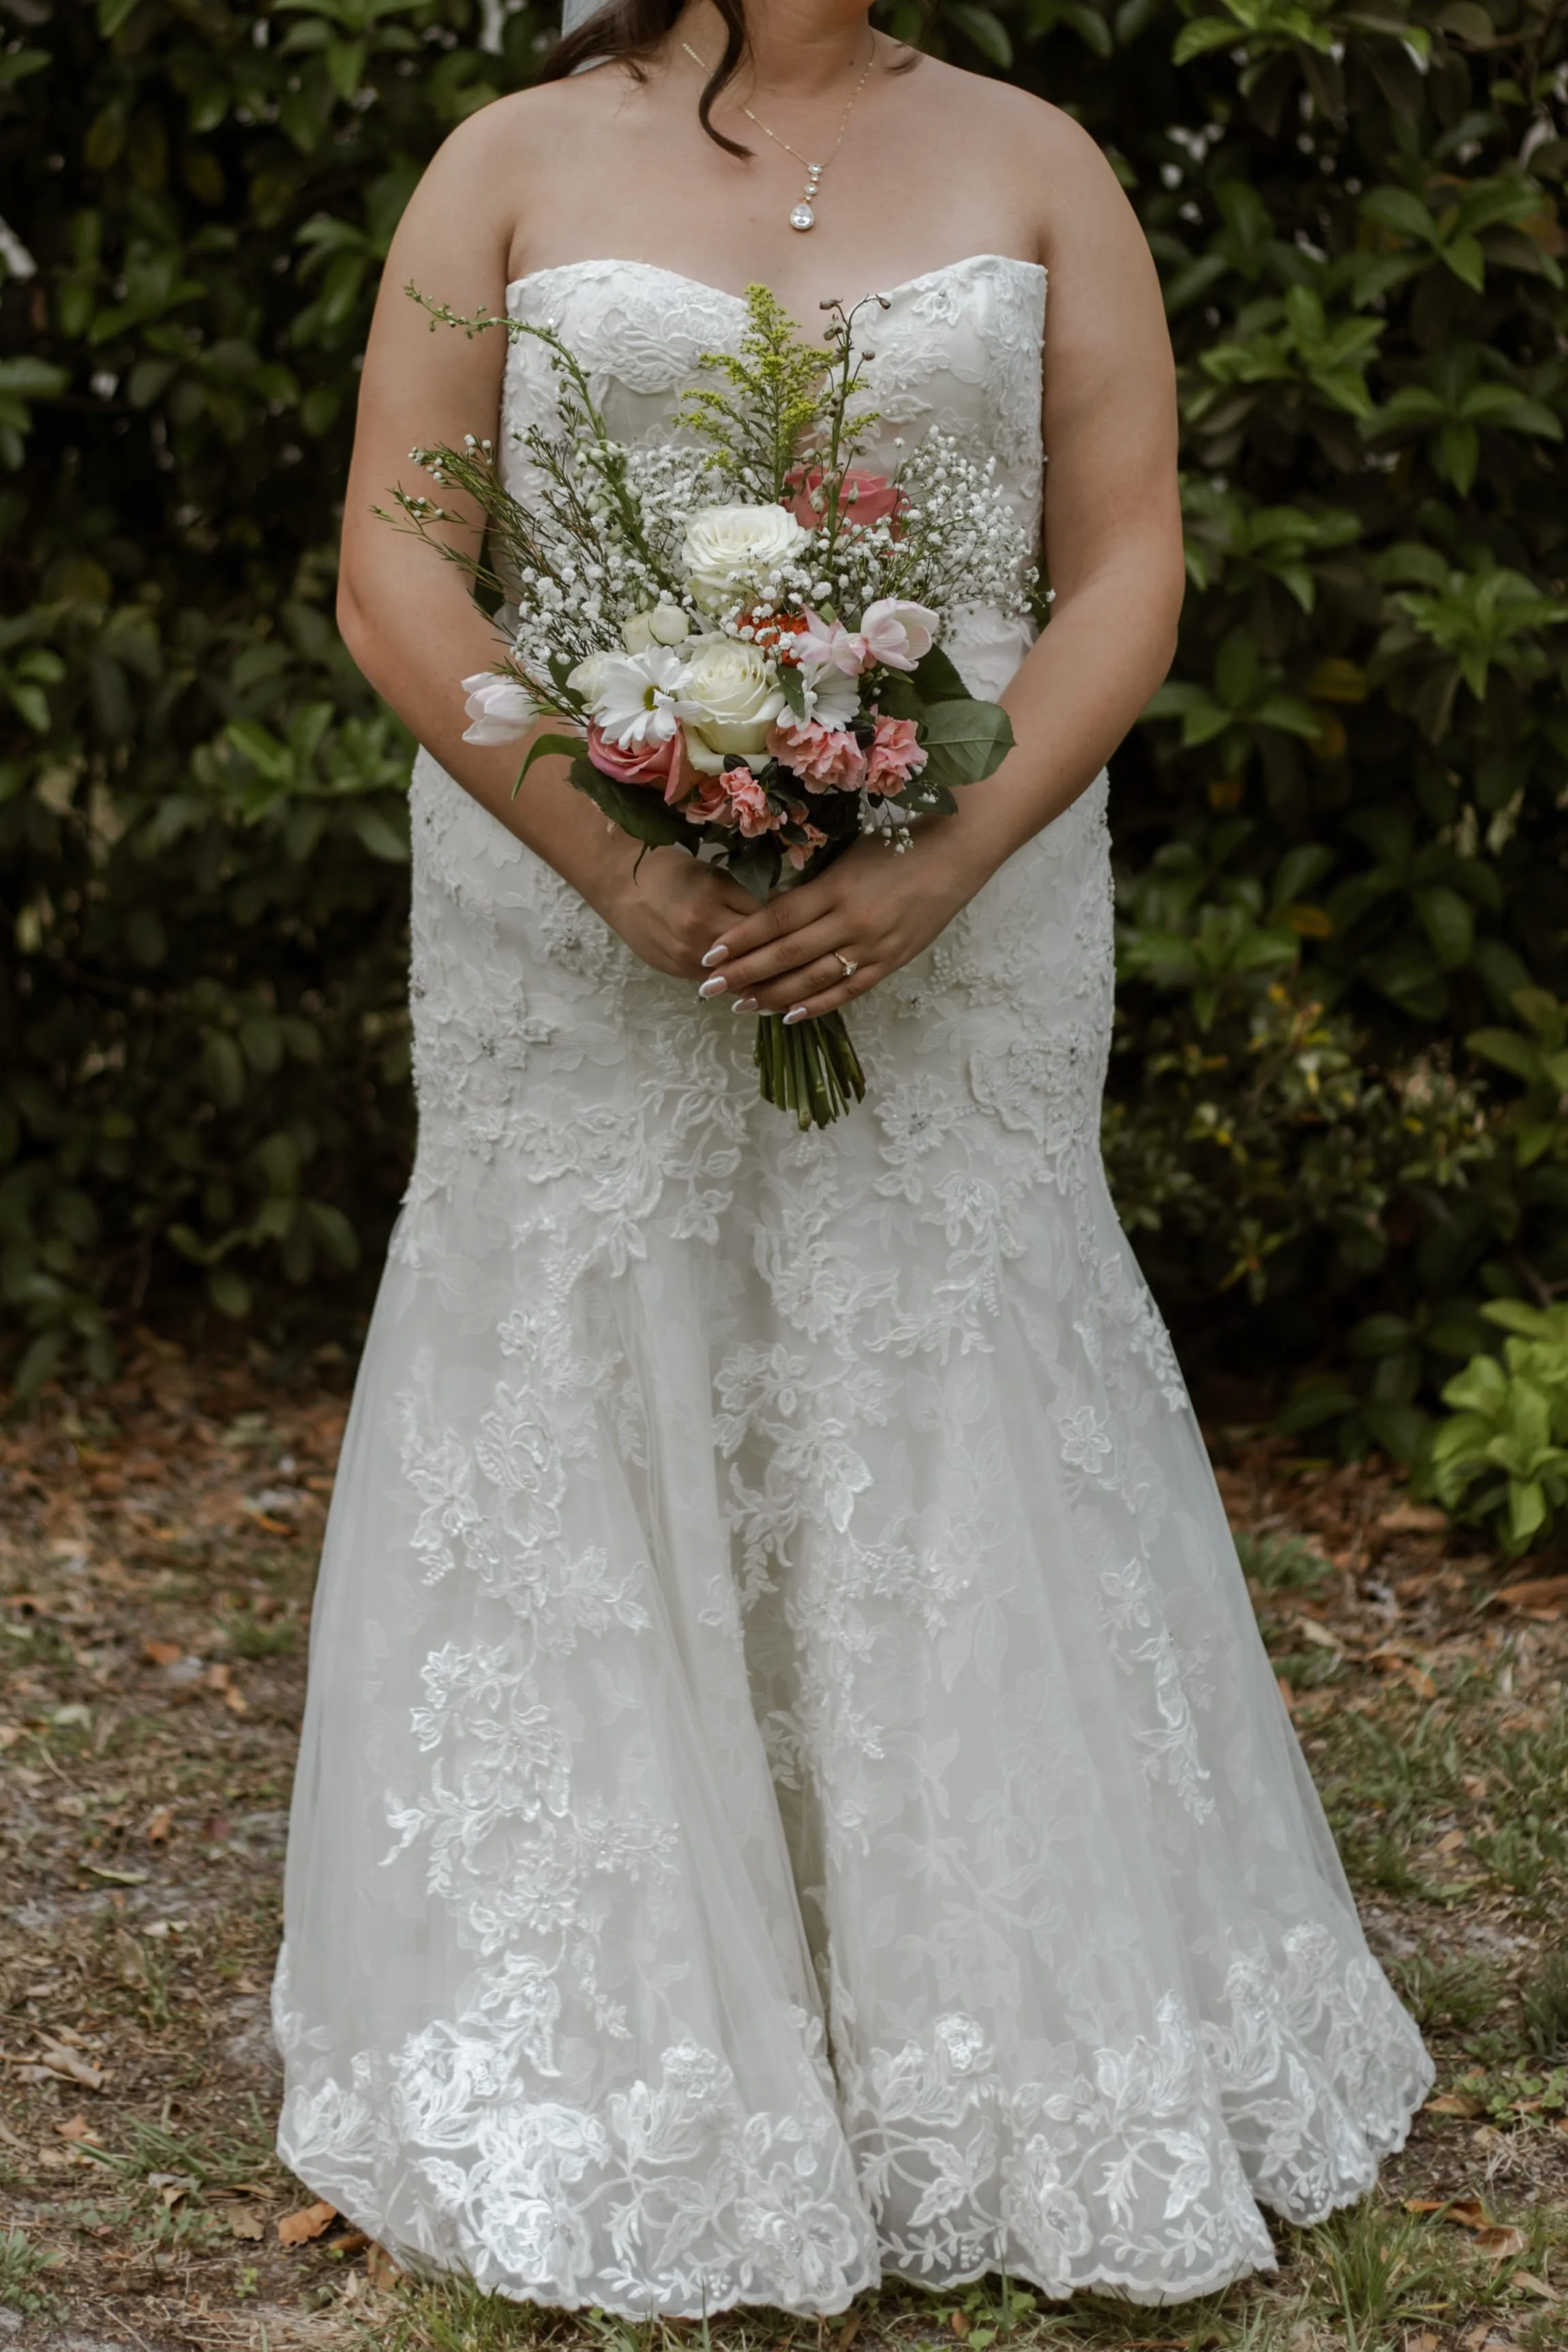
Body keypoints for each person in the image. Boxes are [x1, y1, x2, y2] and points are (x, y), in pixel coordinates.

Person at [273, 0, 1432, 2316]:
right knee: (596, 1348)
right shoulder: (504, 156)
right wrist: (614, 854)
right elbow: (402, 569)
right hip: (562, 896)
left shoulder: (1037, 160)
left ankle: (996, 2033)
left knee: (935, 1341)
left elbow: (1121, 570)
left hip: (963, 898)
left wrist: (944, 854)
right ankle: (621, 2031)